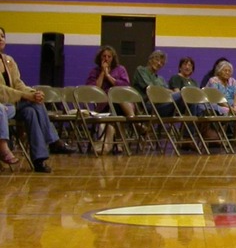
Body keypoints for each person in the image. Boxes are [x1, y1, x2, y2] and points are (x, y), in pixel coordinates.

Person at [0, 27, 73, 172]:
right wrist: (25, 96)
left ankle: (40, 159)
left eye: (2, 36)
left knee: (33, 109)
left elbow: (18, 83)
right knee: (31, 107)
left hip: (14, 105)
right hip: (3, 107)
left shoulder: (8, 61)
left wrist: (33, 93)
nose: (0, 39)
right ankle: (53, 142)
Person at [85, 45, 135, 117]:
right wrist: (102, 72)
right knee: (117, 97)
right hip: (104, 103)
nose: (106, 59)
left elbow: (125, 86)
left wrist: (108, 76)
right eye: (104, 56)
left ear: (113, 58)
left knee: (119, 95)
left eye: (109, 57)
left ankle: (133, 120)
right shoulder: (95, 71)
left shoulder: (120, 69)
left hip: (122, 102)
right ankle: (136, 124)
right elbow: (93, 90)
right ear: (100, 57)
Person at [133, 50, 179, 115]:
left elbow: (167, 94)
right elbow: (151, 89)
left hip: (162, 104)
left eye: (162, 63)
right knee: (180, 95)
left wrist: (167, 92)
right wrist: (168, 91)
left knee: (186, 99)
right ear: (150, 60)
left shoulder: (161, 79)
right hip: (147, 105)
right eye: (157, 60)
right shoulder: (141, 70)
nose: (159, 63)